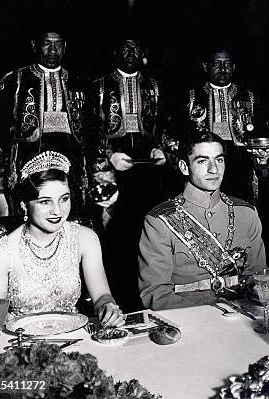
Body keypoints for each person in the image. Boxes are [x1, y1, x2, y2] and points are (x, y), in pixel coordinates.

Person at [0, 151, 124, 327]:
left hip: (75, 339)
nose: (57, 211)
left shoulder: (85, 238)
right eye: (45, 202)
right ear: (24, 204)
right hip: (20, 344)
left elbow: (102, 295)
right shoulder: (1, 253)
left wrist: (107, 307)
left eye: (64, 199)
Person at [138, 130, 266, 310]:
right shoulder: (160, 220)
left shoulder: (246, 213)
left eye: (219, 160)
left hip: (243, 316)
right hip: (190, 320)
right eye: (202, 161)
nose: (213, 169)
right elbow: (156, 294)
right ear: (184, 167)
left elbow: (259, 276)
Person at [86, 37, 167, 311]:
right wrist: (109, 154)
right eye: (125, 47)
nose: (131, 53)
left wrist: (159, 148)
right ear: (115, 51)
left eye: (136, 48)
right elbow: (85, 131)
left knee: (147, 235)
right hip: (111, 174)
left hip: (146, 175)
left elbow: (162, 126)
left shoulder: (153, 86)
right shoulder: (98, 87)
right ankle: (115, 300)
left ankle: (146, 298)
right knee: (114, 239)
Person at [0, 31, 89, 221]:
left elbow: (90, 137)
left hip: (70, 181)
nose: (53, 50)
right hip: (25, 179)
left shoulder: (80, 83)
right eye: (47, 43)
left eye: (58, 44)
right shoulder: (13, 81)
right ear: (34, 45)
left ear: (65, 46)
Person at [184, 46, 269, 203]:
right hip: (207, 165)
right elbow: (178, 135)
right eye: (217, 64)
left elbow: (266, 134)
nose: (222, 69)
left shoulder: (249, 96)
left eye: (227, 64)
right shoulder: (192, 96)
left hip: (241, 164)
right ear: (206, 66)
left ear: (234, 67)